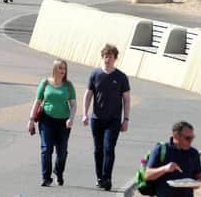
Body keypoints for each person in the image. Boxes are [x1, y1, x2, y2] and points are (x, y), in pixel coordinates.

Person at [82, 44, 131, 192]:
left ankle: (107, 178)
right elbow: (88, 94)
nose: (107, 59)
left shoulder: (121, 77)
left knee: (109, 148)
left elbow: (126, 99)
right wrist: (85, 113)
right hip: (97, 119)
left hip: (114, 120)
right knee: (98, 150)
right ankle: (100, 178)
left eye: (110, 56)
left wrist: (126, 119)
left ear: (115, 59)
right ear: (102, 57)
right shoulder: (95, 74)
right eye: (105, 56)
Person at [27, 59, 77, 187]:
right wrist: (31, 120)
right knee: (46, 149)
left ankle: (58, 172)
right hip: (46, 120)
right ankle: (46, 177)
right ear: (54, 69)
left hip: (63, 123)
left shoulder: (68, 85)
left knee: (62, 152)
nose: (62, 71)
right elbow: (37, 102)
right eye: (60, 68)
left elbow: (73, 104)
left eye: (64, 69)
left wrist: (71, 118)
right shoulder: (45, 83)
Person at [145, 121, 201, 197]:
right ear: (176, 136)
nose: (190, 141)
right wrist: (165, 169)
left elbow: (199, 177)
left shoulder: (193, 153)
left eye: (192, 138)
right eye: (187, 138)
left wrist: (197, 183)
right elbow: (147, 175)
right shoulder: (161, 150)